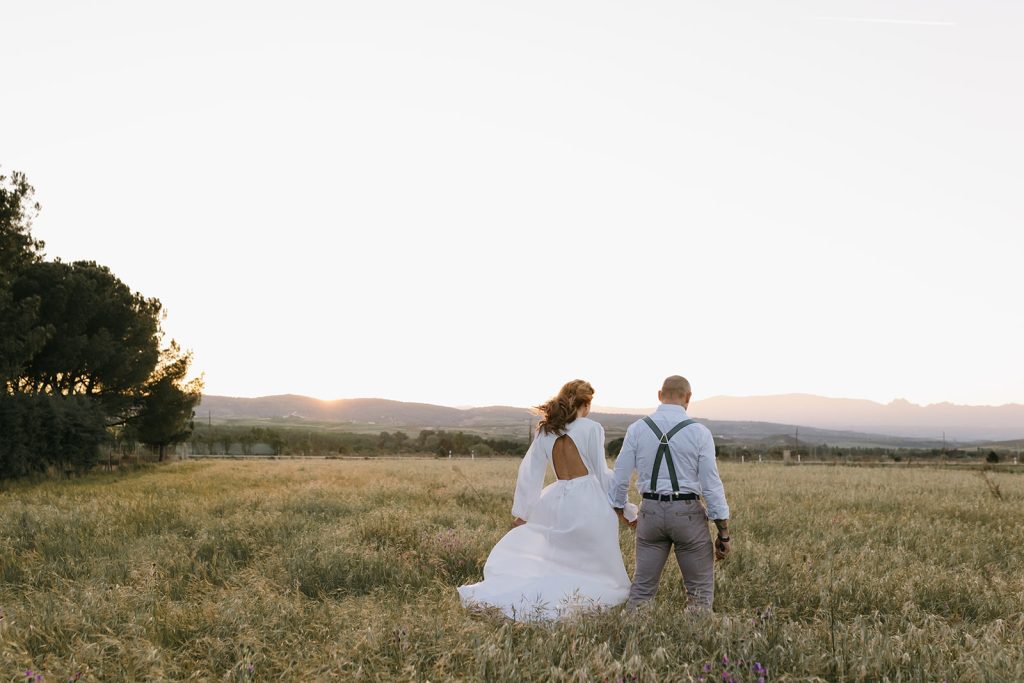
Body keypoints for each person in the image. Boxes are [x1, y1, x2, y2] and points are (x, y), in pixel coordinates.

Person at [457, 380, 636, 621]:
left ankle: (542, 595)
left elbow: (530, 473)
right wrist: (626, 509)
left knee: (559, 558)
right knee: (590, 560)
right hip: (588, 499)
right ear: (586, 403)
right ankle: (576, 596)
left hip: (556, 500)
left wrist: (524, 512)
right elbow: (603, 474)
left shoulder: (545, 430)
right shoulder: (591, 428)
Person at [609, 375, 731, 610]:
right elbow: (711, 484)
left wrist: (621, 508)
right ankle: (695, 640)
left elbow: (620, 475)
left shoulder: (637, 429)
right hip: (687, 515)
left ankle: (631, 641)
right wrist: (723, 532)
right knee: (699, 592)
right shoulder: (699, 432)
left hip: (650, 512)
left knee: (642, 590)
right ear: (688, 398)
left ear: (659, 395)